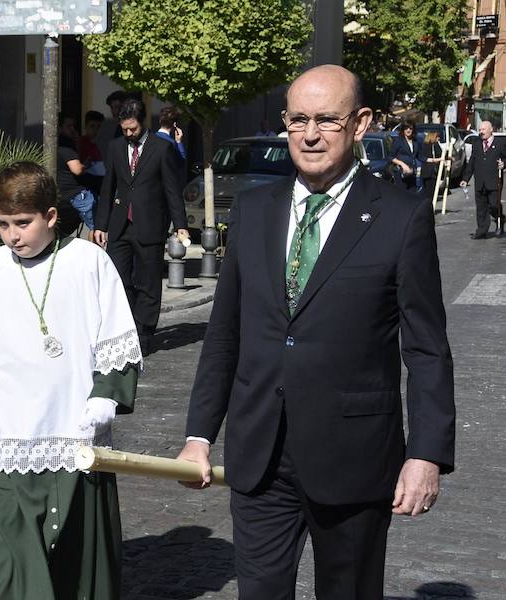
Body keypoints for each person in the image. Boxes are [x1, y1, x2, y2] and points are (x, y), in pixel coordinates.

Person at [178, 65, 455, 599]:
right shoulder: (255, 211)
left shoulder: (400, 216)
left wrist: (426, 454)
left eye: (327, 120)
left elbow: (425, 347)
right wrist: (198, 436)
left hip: (353, 458)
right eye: (298, 119)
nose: (309, 134)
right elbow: (225, 335)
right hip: (260, 457)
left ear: (361, 123)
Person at [0, 162, 141, 600]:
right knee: (10, 552)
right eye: (4, 224)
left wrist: (105, 398)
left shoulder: (87, 262)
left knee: (73, 552)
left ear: (50, 215)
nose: (12, 235)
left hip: (71, 428)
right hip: (6, 432)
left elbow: (117, 336)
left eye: (23, 223)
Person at [93, 98, 189, 355]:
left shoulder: (161, 148)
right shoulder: (115, 148)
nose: (128, 134)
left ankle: (144, 332)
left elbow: (172, 190)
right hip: (121, 224)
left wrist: (181, 225)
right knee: (119, 280)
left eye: (132, 129)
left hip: (150, 224)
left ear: (143, 122)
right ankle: (127, 327)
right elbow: (107, 187)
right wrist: (100, 224)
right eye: (124, 129)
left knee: (148, 282)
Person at [460, 120, 506, 238]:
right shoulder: (477, 143)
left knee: (494, 206)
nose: (481, 132)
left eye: (483, 129)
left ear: (491, 130)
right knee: (481, 207)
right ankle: (481, 230)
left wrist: (503, 164)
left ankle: (500, 220)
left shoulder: (500, 143)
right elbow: (472, 163)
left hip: (494, 180)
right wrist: (465, 179)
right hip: (480, 181)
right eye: (479, 130)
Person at [56, 113, 95, 235]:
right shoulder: (66, 148)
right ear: (59, 128)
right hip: (74, 194)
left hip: (62, 195)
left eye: (74, 126)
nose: (73, 130)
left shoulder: (56, 148)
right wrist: (85, 166)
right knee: (95, 227)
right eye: (69, 126)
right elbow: (77, 169)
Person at [390, 119, 422, 191]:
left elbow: (420, 157)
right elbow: (391, 157)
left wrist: (436, 160)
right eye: (406, 128)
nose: (408, 130)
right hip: (400, 174)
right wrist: (402, 164)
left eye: (410, 128)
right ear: (403, 130)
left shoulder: (415, 141)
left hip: (412, 172)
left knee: (412, 195)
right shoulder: (398, 141)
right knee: (402, 195)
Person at [420, 130, 445, 202]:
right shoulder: (434, 145)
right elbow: (440, 154)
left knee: (426, 191)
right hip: (431, 172)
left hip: (425, 172)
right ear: (433, 137)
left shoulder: (424, 145)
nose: (439, 138)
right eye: (437, 136)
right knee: (431, 192)